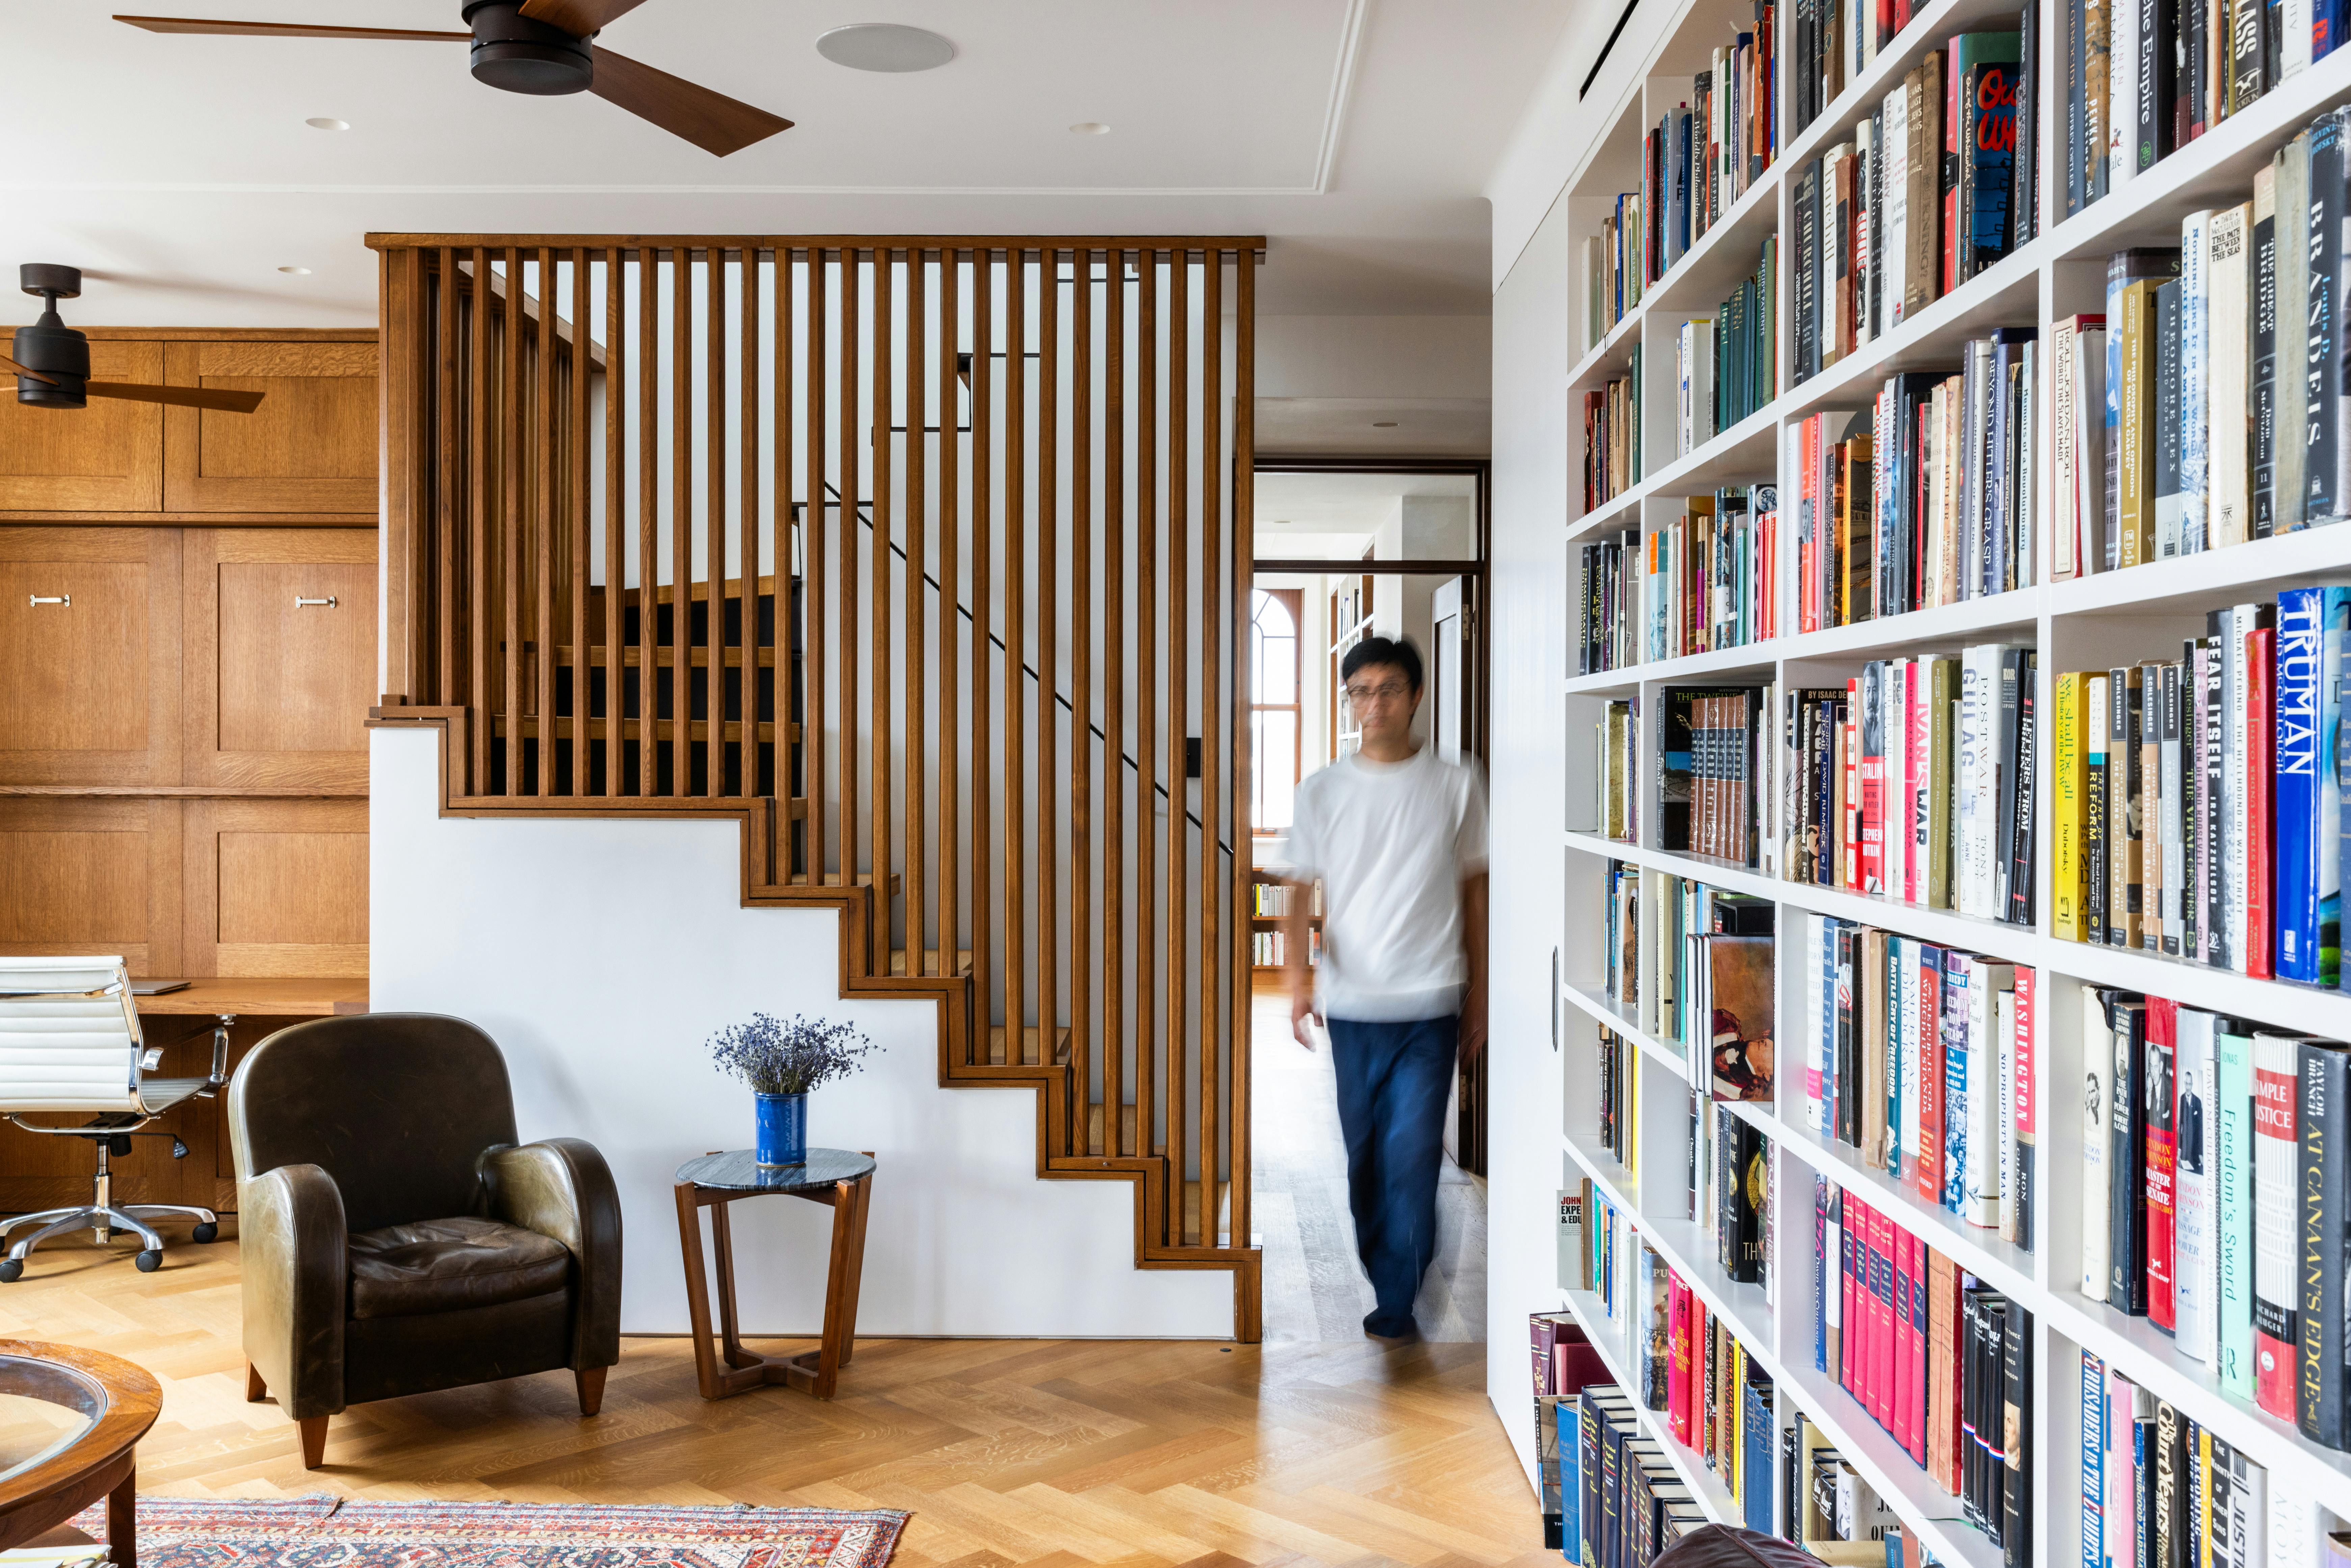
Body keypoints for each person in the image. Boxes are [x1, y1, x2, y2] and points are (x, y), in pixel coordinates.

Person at [1277, 634, 1487, 1345]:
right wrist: (1297, 977)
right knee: (1366, 1160)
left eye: (1388, 690)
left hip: (1430, 1003)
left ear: (1415, 696)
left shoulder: (1456, 784)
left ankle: (1400, 1295)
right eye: (1361, 692)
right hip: (1354, 1006)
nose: (1373, 704)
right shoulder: (1322, 790)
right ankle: (1388, 1268)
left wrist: (1480, 991)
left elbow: (1474, 892)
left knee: (1412, 1154)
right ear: (1349, 700)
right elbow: (1299, 888)